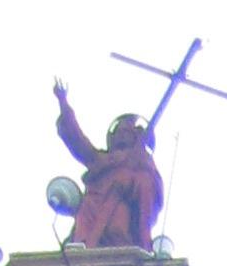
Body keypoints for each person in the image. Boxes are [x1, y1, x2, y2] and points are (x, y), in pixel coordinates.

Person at [50, 86, 165, 254]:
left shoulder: (144, 164)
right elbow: (77, 141)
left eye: (127, 132)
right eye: (119, 132)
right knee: (83, 249)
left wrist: (128, 181)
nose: (122, 136)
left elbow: (149, 193)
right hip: (90, 214)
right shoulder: (100, 160)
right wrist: (63, 103)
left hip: (119, 219)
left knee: (119, 244)